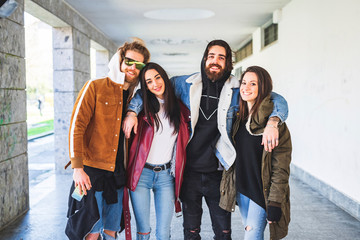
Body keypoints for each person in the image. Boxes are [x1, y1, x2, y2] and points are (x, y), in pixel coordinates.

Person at [123, 40, 288, 240]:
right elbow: (146, 91)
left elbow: (274, 98)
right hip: (189, 173)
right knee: (191, 232)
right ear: (204, 59)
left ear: (228, 63)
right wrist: (132, 112)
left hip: (219, 174)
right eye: (211, 56)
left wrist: (273, 121)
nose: (215, 61)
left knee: (223, 232)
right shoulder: (184, 85)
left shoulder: (238, 89)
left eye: (221, 57)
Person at [64, 40, 150, 240]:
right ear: (120, 59)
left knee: (111, 230)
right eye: (129, 61)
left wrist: (133, 113)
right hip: (90, 173)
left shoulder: (135, 98)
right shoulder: (95, 86)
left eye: (139, 65)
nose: (133, 67)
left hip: (117, 175)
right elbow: (76, 127)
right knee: (90, 232)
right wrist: (77, 168)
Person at [220, 66, 292, 240]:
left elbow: (281, 168)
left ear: (263, 88)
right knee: (251, 231)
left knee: (251, 235)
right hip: (243, 189)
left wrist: (275, 201)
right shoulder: (238, 119)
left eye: (253, 84)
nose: (246, 87)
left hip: (262, 192)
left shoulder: (276, 126)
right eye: (244, 82)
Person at [126, 62, 190, 239]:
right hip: (141, 175)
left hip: (165, 176)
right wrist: (131, 113)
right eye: (148, 82)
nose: (155, 84)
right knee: (143, 230)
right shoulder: (142, 108)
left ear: (164, 77)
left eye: (157, 77)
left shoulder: (179, 108)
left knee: (163, 232)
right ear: (145, 86)